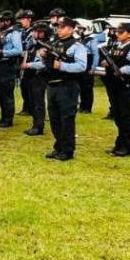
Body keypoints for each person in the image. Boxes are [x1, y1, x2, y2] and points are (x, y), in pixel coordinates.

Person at [40, 17, 88, 160]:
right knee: (54, 119)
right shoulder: (54, 43)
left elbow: (81, 66)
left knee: (66, 119)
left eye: (62, 27)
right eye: (58, 27)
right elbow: (48, 62)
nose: (58, 29)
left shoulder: (77, 46)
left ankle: (67, 150)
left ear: (71, 29)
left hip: (67, 85)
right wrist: (43, 55)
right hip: (52, 84)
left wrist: (62, 66)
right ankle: (58, 146)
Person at [103, 22, 130, 156]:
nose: (117, 34)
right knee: (117, 116)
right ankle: (119, 144)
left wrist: (124, 70)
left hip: (127, 86)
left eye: (121, 32)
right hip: (115, 86)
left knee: (125, 116)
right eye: (117, 32)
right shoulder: (116, 46)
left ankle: (127, 147)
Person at [21, 20, 50, 136]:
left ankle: (39, 126)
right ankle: (35, 124)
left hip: (39, 76)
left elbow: (44, 64)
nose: (33, 33)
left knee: (38, 102)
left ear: (42, 33)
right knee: (32, 101)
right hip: (30, 76)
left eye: (36, 32)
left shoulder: (45, 47)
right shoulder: (34, 44)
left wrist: (29, 65)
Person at [0, 10, 23, 127]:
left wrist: (3, 52)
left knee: (7, 94)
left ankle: (8, 119)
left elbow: (18, 50)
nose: (0, 23)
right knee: (0, 93)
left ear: (8, 21)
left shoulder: (14, 33)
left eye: (2, 21)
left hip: (8, 65)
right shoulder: (2, 32)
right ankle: (3, 116)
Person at [15, 9, 35, 114]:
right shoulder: (21, 32)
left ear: (29, 20)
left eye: (23, 19)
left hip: (30, 60)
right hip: (21, 60)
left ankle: (31, 107)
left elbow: (30, 46)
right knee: (23, 85)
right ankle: (26, 107)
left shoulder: (32, 32)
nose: (21, 21)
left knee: (29, 86)